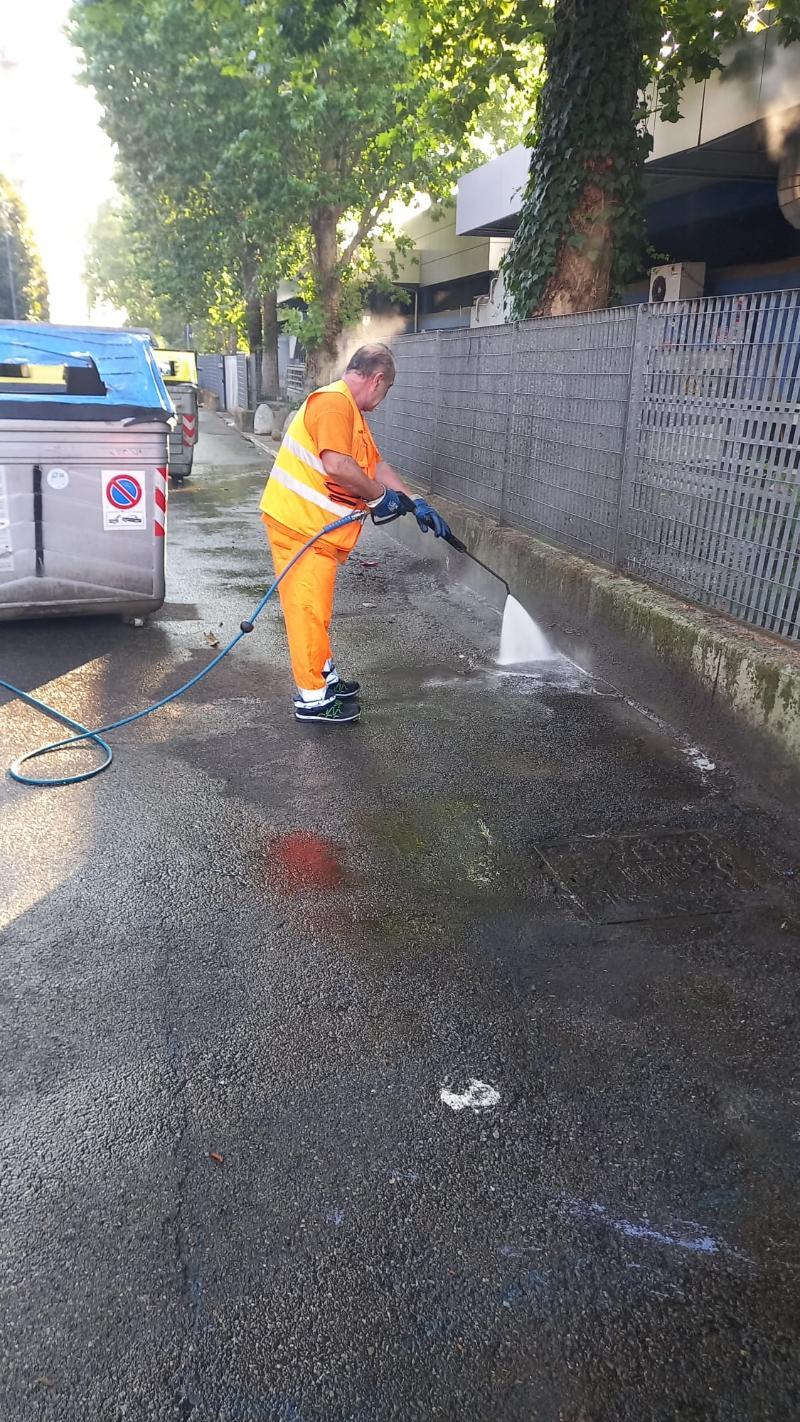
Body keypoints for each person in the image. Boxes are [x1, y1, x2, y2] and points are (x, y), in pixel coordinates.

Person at [260, 343, 452, 724]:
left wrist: (414, 500)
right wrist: (380, 498)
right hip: (300, 527)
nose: (383, 399)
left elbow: (373, 463)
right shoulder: (334, 403)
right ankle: (313, 700)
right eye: (387, 390)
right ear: (377, 378)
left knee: (318, 610)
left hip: (313, 530)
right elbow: (337, 465)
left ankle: (324, 676)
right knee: (307, 611)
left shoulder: (349, 410)